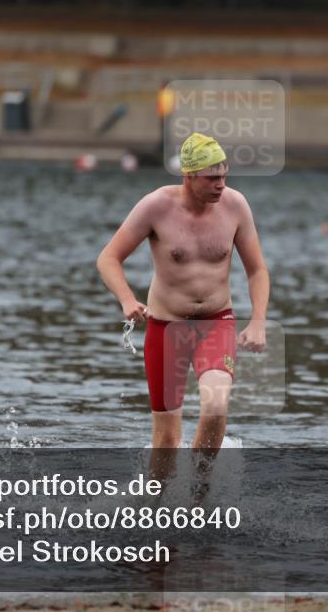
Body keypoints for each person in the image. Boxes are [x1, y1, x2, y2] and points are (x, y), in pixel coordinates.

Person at [96, 132, 269, 476]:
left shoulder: (235, 205)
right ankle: (155, 507)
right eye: (212, 178)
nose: (221, 185)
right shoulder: (155, 206)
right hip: (165, 327)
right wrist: (128, 299)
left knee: (217, 404)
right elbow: (108, 258)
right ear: (189, 176)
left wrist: (259, 320)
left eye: (224, 176)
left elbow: (257, 270)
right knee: (166, 439)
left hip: (216, 322)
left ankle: (199, 497)